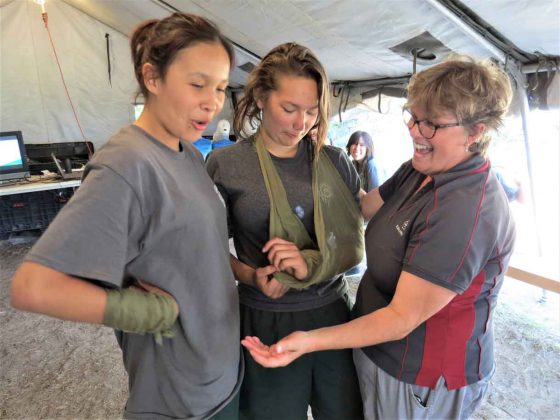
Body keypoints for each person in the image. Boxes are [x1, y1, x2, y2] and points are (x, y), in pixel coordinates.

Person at [242, 56, 516, 420]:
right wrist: (299, 180)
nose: (416, 132)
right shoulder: (418, 171)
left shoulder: (467, 209)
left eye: (431, 124)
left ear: (476, 130)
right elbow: (360, 206)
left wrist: (309, 339)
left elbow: (401, 317)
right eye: (413, 117)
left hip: (420, 373)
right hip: (376, 350)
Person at [10, 12, 242, 420]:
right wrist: (142, 312)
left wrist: (248, 274)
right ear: (152, 79)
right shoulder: (126, 164)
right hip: (178, 397)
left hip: (219, 372)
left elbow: (190, 247)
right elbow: (34, 286)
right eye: (197, 84)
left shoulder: (187, 151)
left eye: (222, 88)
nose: (213, 101)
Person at [206, 42, 364, 420]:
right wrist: (250, 274)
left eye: (312, 111)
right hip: (265, 318)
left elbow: (350, 242)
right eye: (289, 109)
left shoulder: (334, 161)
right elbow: (207, 246)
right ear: (261, 97)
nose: (301, 123)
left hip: (332, 316)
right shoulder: (226, 164)